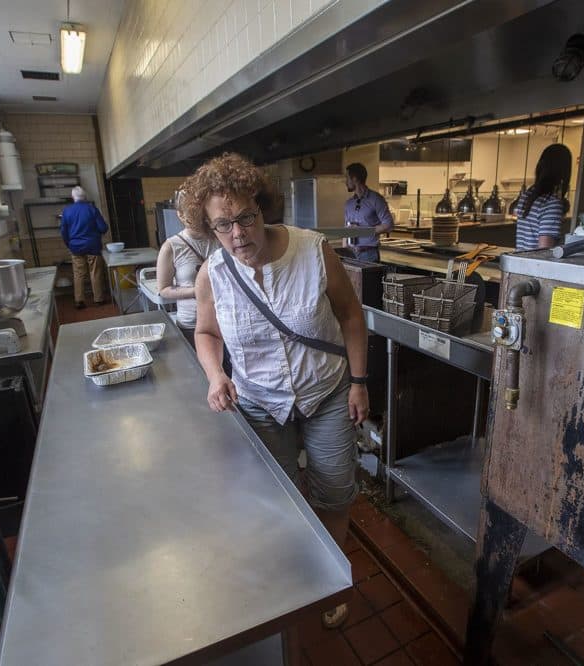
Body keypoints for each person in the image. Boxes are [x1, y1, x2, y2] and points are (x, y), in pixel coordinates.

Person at [183, 153, 369, 629]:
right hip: (260, 402)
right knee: (279, 498)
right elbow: (206, 334)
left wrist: (359, 382)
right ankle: (292, 576)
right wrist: (214, 375)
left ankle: (329, 578)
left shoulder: (313, 251)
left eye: (246, 217)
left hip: (326, 393)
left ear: (262, 207)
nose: (238, 234)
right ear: (209, 228)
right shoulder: (214, 275)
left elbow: (350, 315)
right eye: (223, 225)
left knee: (333, 491)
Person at [155, 199, 220, 346]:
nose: (199, 219)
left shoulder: (219, 238)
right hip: (191, 324)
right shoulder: (171, 247)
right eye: (193, 214)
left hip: (224, 320)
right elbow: (164, 290)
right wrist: (198, 291)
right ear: (180, 215)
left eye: (202, 213)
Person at [514, 143, 572, 251]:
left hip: (520, 263)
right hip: (535, 266)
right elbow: (544, 252)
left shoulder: (527, 195)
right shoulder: (552, 204)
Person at [60, 186, 109, 308]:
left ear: (73, 197)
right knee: (95, 273)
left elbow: (63, 232)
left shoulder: (67, 211)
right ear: (85, 197)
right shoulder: (92, 209)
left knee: (78, 274)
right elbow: (103, 227)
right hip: (93, 246)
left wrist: (69, 244)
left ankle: (79, 301)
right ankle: (98, 299)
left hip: (75, 247)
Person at [343, 162, 394, 262]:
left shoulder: (376, 199)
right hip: (351, 254)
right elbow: (346, 229)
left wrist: (363, 231)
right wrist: (344, 251)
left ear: (355, 179)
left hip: (369, 255)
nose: (346, 182)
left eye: (347, 178)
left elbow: (388, 225)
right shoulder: (348, 204)